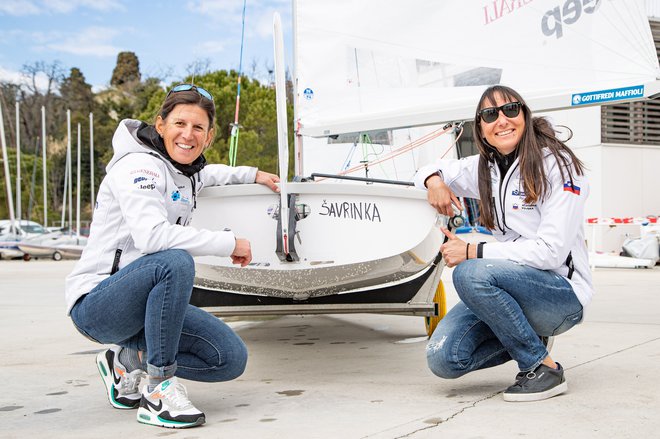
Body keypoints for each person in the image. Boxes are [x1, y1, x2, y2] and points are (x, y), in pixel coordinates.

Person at [65, 83, 280, 428]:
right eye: (179, 124)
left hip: (144, 310)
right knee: (174, 260)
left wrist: (253, 174)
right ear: (160, 125)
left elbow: (211, 173)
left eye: (198, 128)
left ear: (209, 138)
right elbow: (152, 237)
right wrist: (228, 243)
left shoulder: (186, 171)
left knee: (229, 358)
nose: (188, 134)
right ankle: (158, 389)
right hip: (98, 305)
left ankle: (127, 360)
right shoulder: (139, 166)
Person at [414, 85, 593, 402]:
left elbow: (550, 252)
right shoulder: (484, 168)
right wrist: (435, 182)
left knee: (469, 274)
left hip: (561, 294)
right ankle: (530, 337)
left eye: (511, 110)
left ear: (524, 115)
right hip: (512, 288)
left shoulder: (559, 166)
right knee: (444, 358)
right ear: (480, 128)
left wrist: (473, 251)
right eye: (489, 114)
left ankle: (541, 367)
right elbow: (426, 169)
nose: (502, 120)